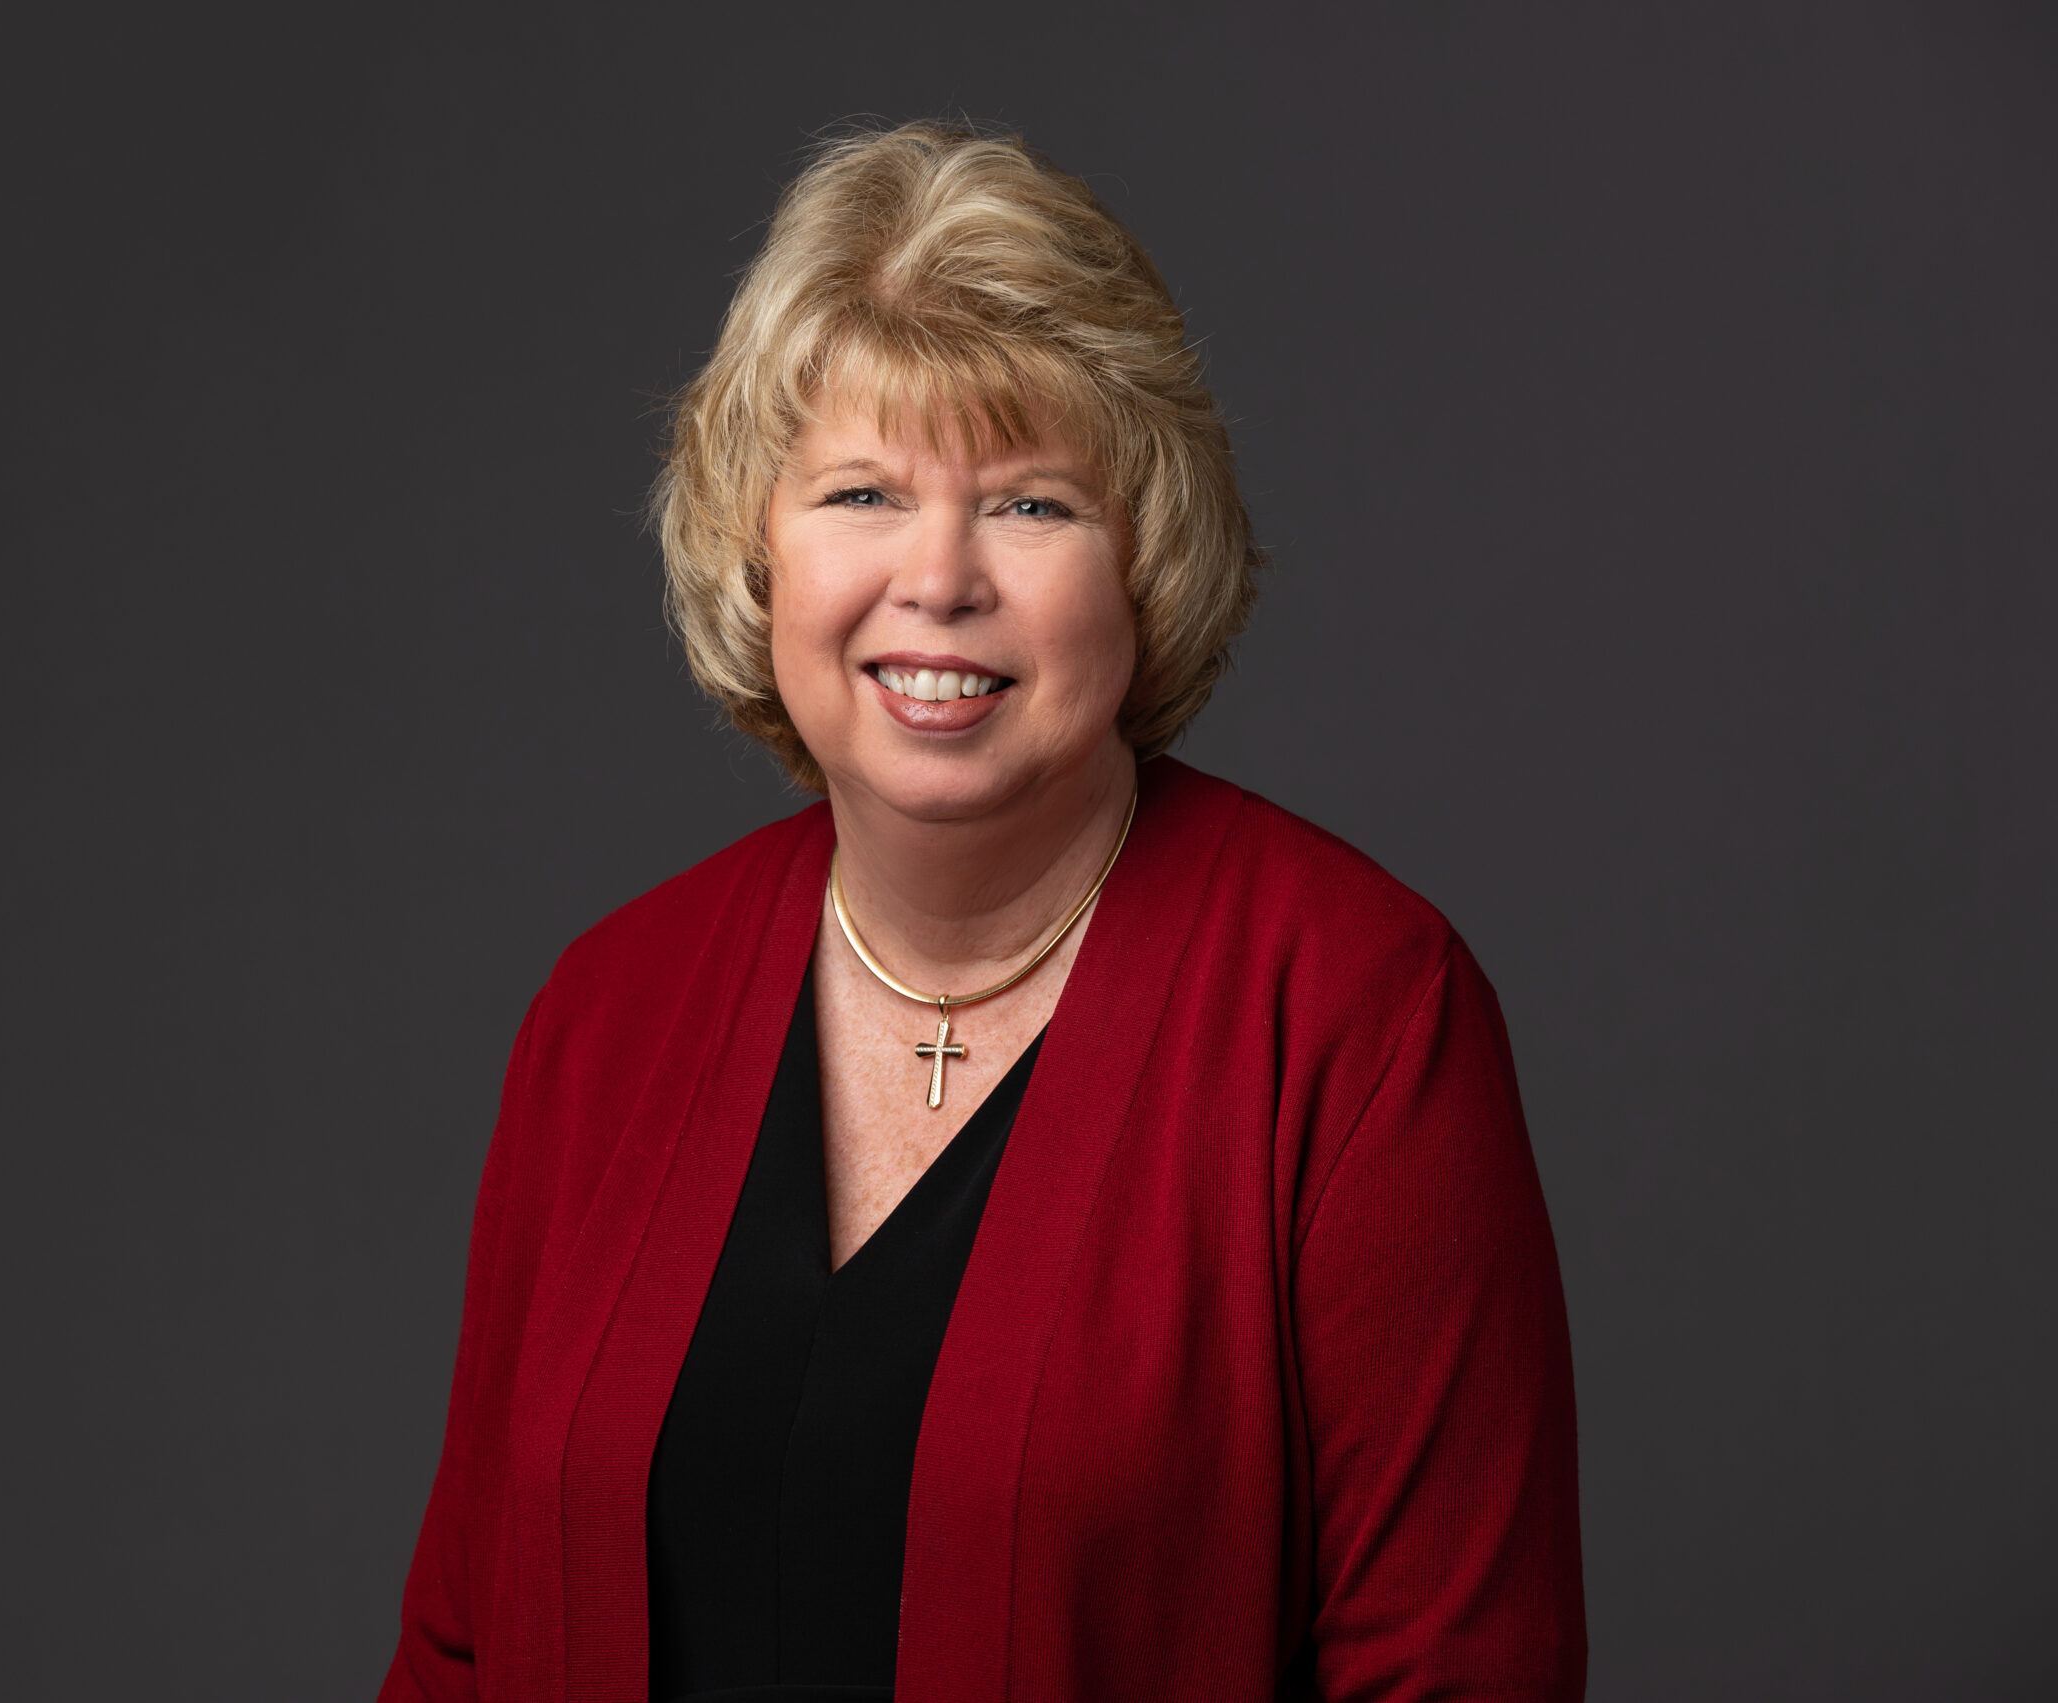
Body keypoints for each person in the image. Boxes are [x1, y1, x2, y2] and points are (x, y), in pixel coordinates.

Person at [381, 121, 1584, 1703]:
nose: (937, 579)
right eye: (864, 491)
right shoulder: (606, 1015)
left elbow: (1458, 1675)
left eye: (1029, 506)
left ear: (1144, 563)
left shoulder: (1357, 1019)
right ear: (760, 544)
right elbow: (459, 1653)